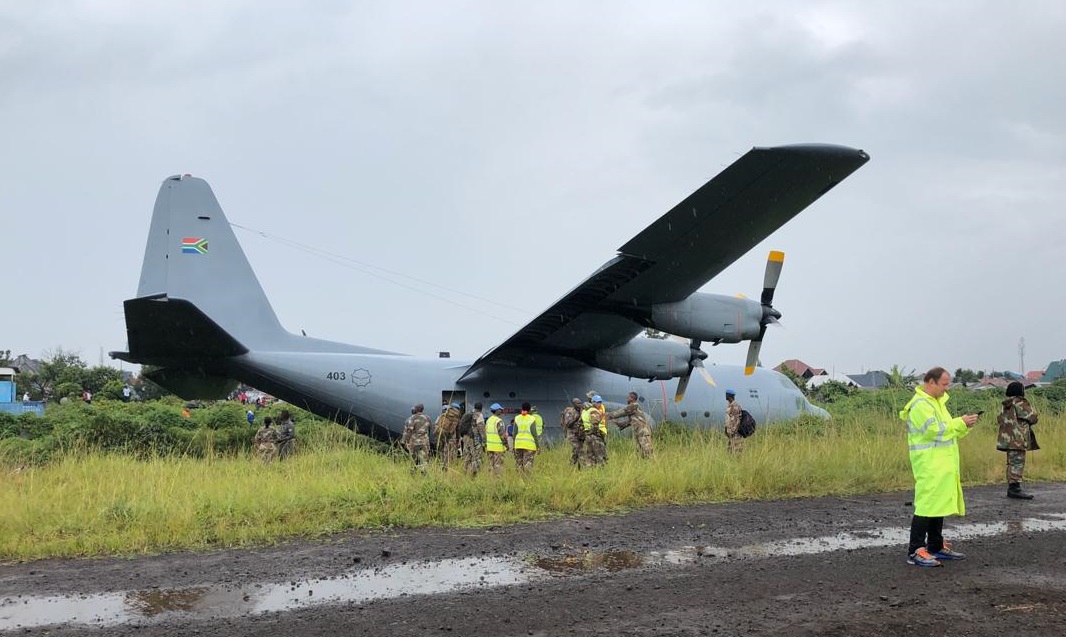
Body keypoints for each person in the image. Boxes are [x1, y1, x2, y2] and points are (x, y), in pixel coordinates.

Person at [900, 367, 979, 567]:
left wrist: (964, 425)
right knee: (926, 504)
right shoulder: (920, 405)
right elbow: (935, 431)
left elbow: (948, 432)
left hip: (942, 463)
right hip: (928, 463)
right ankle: (916, 550)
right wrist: (959, 423)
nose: (947, 388)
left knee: (938, 503)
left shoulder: (937, 403)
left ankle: (935, 545)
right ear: (931, 382)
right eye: (944, 384)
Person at [997, 381, 1039, 499]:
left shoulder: (1006, 404)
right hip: (1018, 438)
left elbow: (999, 419)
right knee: (1017, 462)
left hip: (1007, 439)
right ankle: (1015, 489)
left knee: (1012, 462)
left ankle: (1013, 487)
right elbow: (1032, 417)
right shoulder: (1020, 402)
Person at [608, 391, 653, 459]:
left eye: (628, 397)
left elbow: (622, 412)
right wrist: (617, 422)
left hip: (642, 431)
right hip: (638, 431)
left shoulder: (634, 406)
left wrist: (608, 415)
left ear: (632, 398)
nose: (627, 398)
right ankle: (645, 464)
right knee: (640, 450)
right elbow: (628, 422)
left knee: (646, 449)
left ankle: (652, 462)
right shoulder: (633, 411)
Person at [402, 403, 432, 475]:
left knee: (413, 458)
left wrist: (405, 441)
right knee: (425, 458)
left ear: (416, 409)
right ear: (422, 409)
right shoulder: (428, 418)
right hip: (424, 441)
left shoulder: (412, 418)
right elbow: (430, 429)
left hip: (414, 441)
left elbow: (409, 431)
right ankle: (424, 473)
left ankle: (413, 472)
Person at [460, 402, 486, 476]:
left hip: (465, 437)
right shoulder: (479, 415)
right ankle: (474, 474)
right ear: (481, 408)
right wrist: (484, 441)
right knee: (476, 456)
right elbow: (481, 429)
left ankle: (464, 472)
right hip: (474, 438)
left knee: (467, 455)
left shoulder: (467, 413)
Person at [512, 402, 538, 475]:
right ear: (529, 410)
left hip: (518, 445)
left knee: (519, 464)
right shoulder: (532, 419)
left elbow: (514, 433)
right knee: (528, 465)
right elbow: (534, 434)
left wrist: (514, 445)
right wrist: (538, 446)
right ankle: (527, 482)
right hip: (529, 446)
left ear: (522, 408)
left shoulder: (517, 418)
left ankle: (519, 481)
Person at [435, 402, 462, 471]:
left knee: (443, 451)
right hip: (451, 437)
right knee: (451, 453)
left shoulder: (443, 415)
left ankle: (442, 465)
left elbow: (436, 425)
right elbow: (457, 429)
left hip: (441, 435)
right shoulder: (456, 416)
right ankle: (450, 467)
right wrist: (458, 440)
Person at [581, 395, 607, 466]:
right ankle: (600, 470)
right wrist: (600, 435)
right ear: (593, 402)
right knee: (599, 454)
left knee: (590, 454)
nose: (599, 404)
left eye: (600, 402)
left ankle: (589, 470)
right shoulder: (594, 411)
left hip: (588, 435)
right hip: (596, 435)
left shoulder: (584, 411)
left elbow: (580, 423)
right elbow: (595, 425)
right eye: (598, 402)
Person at [560, 398, 585, 466]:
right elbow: (568, 424)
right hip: (572, 435)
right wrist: (576, 418)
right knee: (580, 450)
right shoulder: (570, 412)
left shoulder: (583, 411)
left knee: (576, 451)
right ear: (574, 404)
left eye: (580, 403)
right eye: (578, 403)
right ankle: (583, 466)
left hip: (580, 434)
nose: (580, 405)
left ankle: (571, 464)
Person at [485, 403, 508, 477]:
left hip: (489, 447)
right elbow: (502, 435)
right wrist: (507, 445)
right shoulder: (499, 421)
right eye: (500, 410)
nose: (501, 411)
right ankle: (498, 482)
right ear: (497, 410)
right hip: (497, 448)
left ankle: (491, 481)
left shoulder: (488, 420)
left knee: (490, 465)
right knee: (498, 465)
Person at [724, 389, 743, 454]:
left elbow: (737, 421)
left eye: (726, 395)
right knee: (730, 451)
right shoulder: (730, 405)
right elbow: (729, 419)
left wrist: (733, 432)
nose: (725, 396)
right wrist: (726, 429)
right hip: (730, 433)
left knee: (737, 451)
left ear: (729, 396)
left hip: (735, 433)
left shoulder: (735, 406)